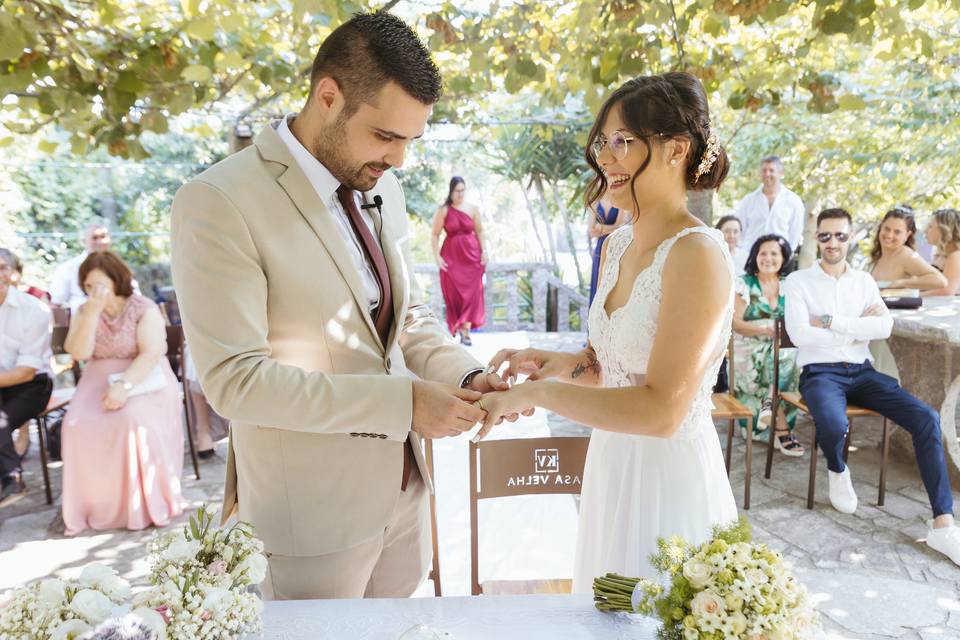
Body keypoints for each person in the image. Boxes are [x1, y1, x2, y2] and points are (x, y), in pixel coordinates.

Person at [170, 12, 508, 601]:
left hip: (406, 500)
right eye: (385, 135)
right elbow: (235, 382)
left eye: (410, 139)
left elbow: (402, 319)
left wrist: (466, 374)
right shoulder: (218, 200)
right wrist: (403, 404)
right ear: (328, 97)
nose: (399, 159)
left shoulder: (384, 185)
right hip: (310, 521)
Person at [480, 72, 738, 589]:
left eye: (624, 142)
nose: (606, 157)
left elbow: (662, 409)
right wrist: (548, 362)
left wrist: (540, 394)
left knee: (654, 606)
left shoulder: (697, 255)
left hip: (667, 477)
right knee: (608, 604)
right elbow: (604, 366)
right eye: (603, 142)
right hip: (612, 463)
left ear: (676, 149)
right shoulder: (618, 245)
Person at [783, 208, 960, 564]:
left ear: (850, 238)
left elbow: (884, 327)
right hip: (820, 373)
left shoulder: (863, 282)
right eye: (825, 236)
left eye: (840, 236)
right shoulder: (799, 282)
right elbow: (799, 333)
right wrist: (855, 326)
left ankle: (943, 524)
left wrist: (832, 322)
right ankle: (837, 468)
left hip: (862, 372)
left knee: (926, 417)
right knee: (834, 424)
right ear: (816, 238)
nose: (833, 242)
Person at [61, 251, 183, 535]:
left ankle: (139, 504)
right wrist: (91, 313)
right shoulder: (85, 311)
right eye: (89, 286)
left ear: (117, 280)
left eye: (100, 285)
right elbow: (78, 352)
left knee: (132, 420)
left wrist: (124, 387)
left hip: (143, 376)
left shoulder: (143, 307)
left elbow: (152, 352)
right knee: (75, 424)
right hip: (96, 376)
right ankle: (95, 503)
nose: (95, 292)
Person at [731, 234, 803, 456]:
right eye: (763, 253)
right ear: (755, 256)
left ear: (784, 258)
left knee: (789, 358)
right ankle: (781, 429)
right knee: (776, 357)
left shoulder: (790, 286)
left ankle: (769, 407)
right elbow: (735, 323)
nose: (768, 258)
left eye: (775, 253)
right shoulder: (744, 284)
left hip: (780, 349)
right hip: (749, 347)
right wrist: (765, 329)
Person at [866, 207, 946, 380]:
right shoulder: (877, 255)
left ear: (908, 234)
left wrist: (903, 282)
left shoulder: (907, 256)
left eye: (897, 231)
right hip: (873, 332)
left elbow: (940, 280)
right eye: (886, 228)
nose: (889, 235)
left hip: (889, 338)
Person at [0, 248, 53, 507]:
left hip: (32, 384)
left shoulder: (34, 310)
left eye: (1, 267)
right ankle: (10, 481)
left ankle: (11, 479)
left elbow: (26, 371)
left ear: (13, 274)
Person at [431, 176, 487, 345]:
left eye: (463, 190)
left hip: (472, 257)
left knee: (472, 295)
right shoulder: (444, 210)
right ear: (451, 191)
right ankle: (460, 328)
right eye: (457, 190)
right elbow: (434, 234)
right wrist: (437, 257)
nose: (460, 194)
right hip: (452, 257)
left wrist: (484, 251)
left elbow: (480, 231)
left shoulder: (473, 209)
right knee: (455, 295)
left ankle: (466, 332)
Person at [734, 156, 806, 253]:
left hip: (780, 257)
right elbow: (739, 229)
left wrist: (786, 254)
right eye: (764, 171)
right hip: (750, 256)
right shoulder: (748, 200)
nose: (767, 174)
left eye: (771, 170)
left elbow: (795, 233)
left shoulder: (793, 201)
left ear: (781, 173)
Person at [49, 221, 113, 314]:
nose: (99, 241)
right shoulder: (68, 268)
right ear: (84, 241)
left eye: (103, 237)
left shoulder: (120, 268)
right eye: (94, 238)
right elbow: (56, 303)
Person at [587, 192, 628, 306]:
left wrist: (601, 228)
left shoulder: (619, 200)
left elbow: (622, 227)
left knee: (614, 283)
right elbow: (591, 231)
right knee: (598, 283)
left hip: (616, 246)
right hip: (600, 249)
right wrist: (613, 228)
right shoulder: (594, 202)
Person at [923, 208, 960, 296]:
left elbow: (947, 291)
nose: (925, 231)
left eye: (930, 227)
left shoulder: (955, 256)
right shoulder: (940, 256)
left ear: (944, 230)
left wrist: (914, 296)